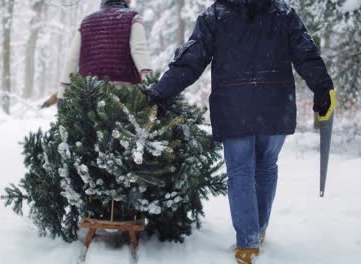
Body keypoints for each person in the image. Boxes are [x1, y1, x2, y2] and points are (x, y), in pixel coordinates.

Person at [146, 0, 335, 263]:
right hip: (275, 101)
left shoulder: (215, 15)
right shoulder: (283, 13)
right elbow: (306, 53)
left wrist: (160, 92)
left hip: (234, 103)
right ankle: (258, 230)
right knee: (267, 165)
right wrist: (323, 87)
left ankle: (248, 243)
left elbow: (191, 60)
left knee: (240, 172)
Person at [42, 0, 152, 108]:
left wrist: (62, 94)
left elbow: (72, 58)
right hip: (125, 92)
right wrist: (150, 84)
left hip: (90, 92)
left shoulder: (86, 22)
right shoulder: (133, 18)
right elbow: (139, 50)